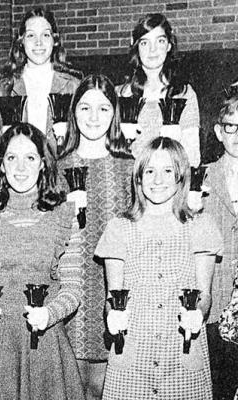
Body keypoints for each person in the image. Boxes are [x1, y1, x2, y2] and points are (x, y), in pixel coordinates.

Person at [95, 137, 222, 400]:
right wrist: (112, 317)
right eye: (150, 171)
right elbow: (112, 297)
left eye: (167, 171)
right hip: (132, 362)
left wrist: (197, 313)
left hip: (182, 360)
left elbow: (204, 295)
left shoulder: (201, 226)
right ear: (138, 178)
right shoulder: (118, 228)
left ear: (181, 177)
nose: (158, 180)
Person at [0, 123, 85, 400]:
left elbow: (73, 289)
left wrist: (49, 314)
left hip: (46, 345)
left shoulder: (65, 217)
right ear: (1, 165)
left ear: (43, 164)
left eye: (30, 158)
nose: (20, 167)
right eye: (11, 158)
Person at [57, 74, 133, 400]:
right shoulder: (57, 166)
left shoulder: (130, 167)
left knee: (109, 389)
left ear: (115, 114)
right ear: (73, 112)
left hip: (115, 291)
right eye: (85, 107)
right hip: (70, 292)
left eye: (103, 109)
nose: (93, 117)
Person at [118, 13, 200, 167]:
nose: (152, 50)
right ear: (135, 47)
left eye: (160, 41)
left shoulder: (184, 94)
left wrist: (177, 142)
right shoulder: (121, 95)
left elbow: (194, 159)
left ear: (169, 45)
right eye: (144, 43)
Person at [0, 7, 81, 152]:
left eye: (45, 35)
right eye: (31, 35)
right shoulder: (5, 88)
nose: (39, 42)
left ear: (55, 40)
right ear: (21, 41)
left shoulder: (73, 86)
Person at [201, 94, 238, 400]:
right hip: (219, 296)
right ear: (217, 131)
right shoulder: (202, 176)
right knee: (220, 386)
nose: (237, 135)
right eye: (231, 127)